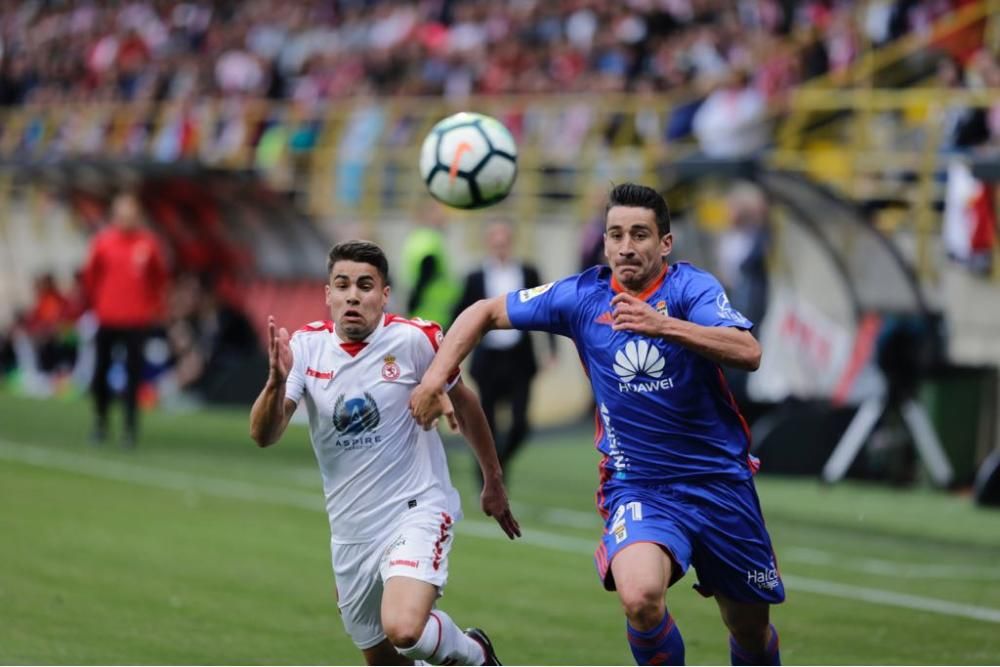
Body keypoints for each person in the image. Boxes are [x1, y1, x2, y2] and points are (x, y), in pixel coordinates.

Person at [411, 184, 784, 666]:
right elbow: (483, 312)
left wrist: (662, 325)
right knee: (640, 597)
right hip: (639, 486)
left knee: (749, 630)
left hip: (719, 484)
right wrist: (436, 378)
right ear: (604, 243)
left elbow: (748, 351)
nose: (627, 246)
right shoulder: (581, 296)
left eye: (640, 234)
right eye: (616, 234)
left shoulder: (692, 288)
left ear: (664, 244)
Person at [249, 240, 520, 667]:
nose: (353, 295)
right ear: (328, 295)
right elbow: (265, 434)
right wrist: (275, 383)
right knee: (386, 660)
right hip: (351, 530)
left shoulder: (414, 340)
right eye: (342, 285)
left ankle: (475, 652)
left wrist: (493, 478)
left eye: (365, 285)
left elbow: (465, 403)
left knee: (405, 629)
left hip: (416, 508)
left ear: (384, 294)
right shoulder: (304, 348)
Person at [453, 221, 555, 485]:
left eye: (504, 241)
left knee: (520, 424)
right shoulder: (475, 277)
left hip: (519, 358)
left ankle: (499, 463)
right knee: (485, 424)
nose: (500, 246)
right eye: (495, 241)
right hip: (489, 360)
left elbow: (548, 311)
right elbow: (460, 316)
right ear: (488, 243)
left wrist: (551, 349)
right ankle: (486, 477)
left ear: (511, 242)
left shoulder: (527, 272)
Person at [82, 191, 169, 448]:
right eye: (121, 213)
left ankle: (130, 428)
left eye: (130, 213)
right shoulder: (103, 242)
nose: (126, 218)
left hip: (136, 321)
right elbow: (90, 278)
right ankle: (101, 421)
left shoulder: (148, 244)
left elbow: (159, 279)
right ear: (114, 215)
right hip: (107, 318)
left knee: (133, 377)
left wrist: (153, 307)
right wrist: (99, 304)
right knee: (100, 372)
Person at [401, 205, 461, 328]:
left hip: (428, 311)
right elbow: (427, 269)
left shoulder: (419, 238)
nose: (444, 220)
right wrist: (414, 302)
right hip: (429, 312)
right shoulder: (429, 239)